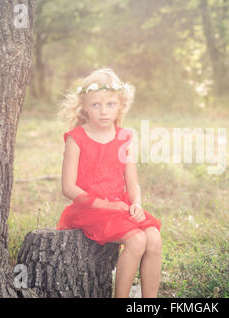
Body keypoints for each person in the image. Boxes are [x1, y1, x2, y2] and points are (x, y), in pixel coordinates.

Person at [56, 68, 162, 298]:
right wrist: (107, 206)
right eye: (96, 105)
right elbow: (68, 188)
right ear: (84, 106)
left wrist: (136, 204)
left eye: (110, 104)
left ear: (120, 105)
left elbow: (132, 183)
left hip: (120, 205)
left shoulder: (124, 137)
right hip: (90, 209)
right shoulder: (77, 138)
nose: (104, 111)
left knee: (153, 237)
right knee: (136, 240)